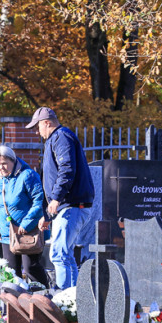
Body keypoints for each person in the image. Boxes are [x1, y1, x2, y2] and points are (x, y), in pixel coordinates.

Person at [27, 107, 94, 289]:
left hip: (70, 205)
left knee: (58, 254)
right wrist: (47, 215)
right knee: (66, 255)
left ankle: (63, 296)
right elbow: (49, 180)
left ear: (47, 123)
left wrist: (56, 198)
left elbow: (66, 169)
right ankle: (73, 297)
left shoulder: (61, 137)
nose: (36, 132)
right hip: (69, 206)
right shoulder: (56, 139)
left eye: (37, 127)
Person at [0, 145, 49, 288]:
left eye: (4, 163)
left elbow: (39, 202)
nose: (1, 168)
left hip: (28, 232)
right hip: (6, 233)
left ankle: (44, 296)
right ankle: (15, 301)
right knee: (11, 273)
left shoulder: (27, 175)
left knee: (31, 269)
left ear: (13, 161)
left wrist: (26, 224)